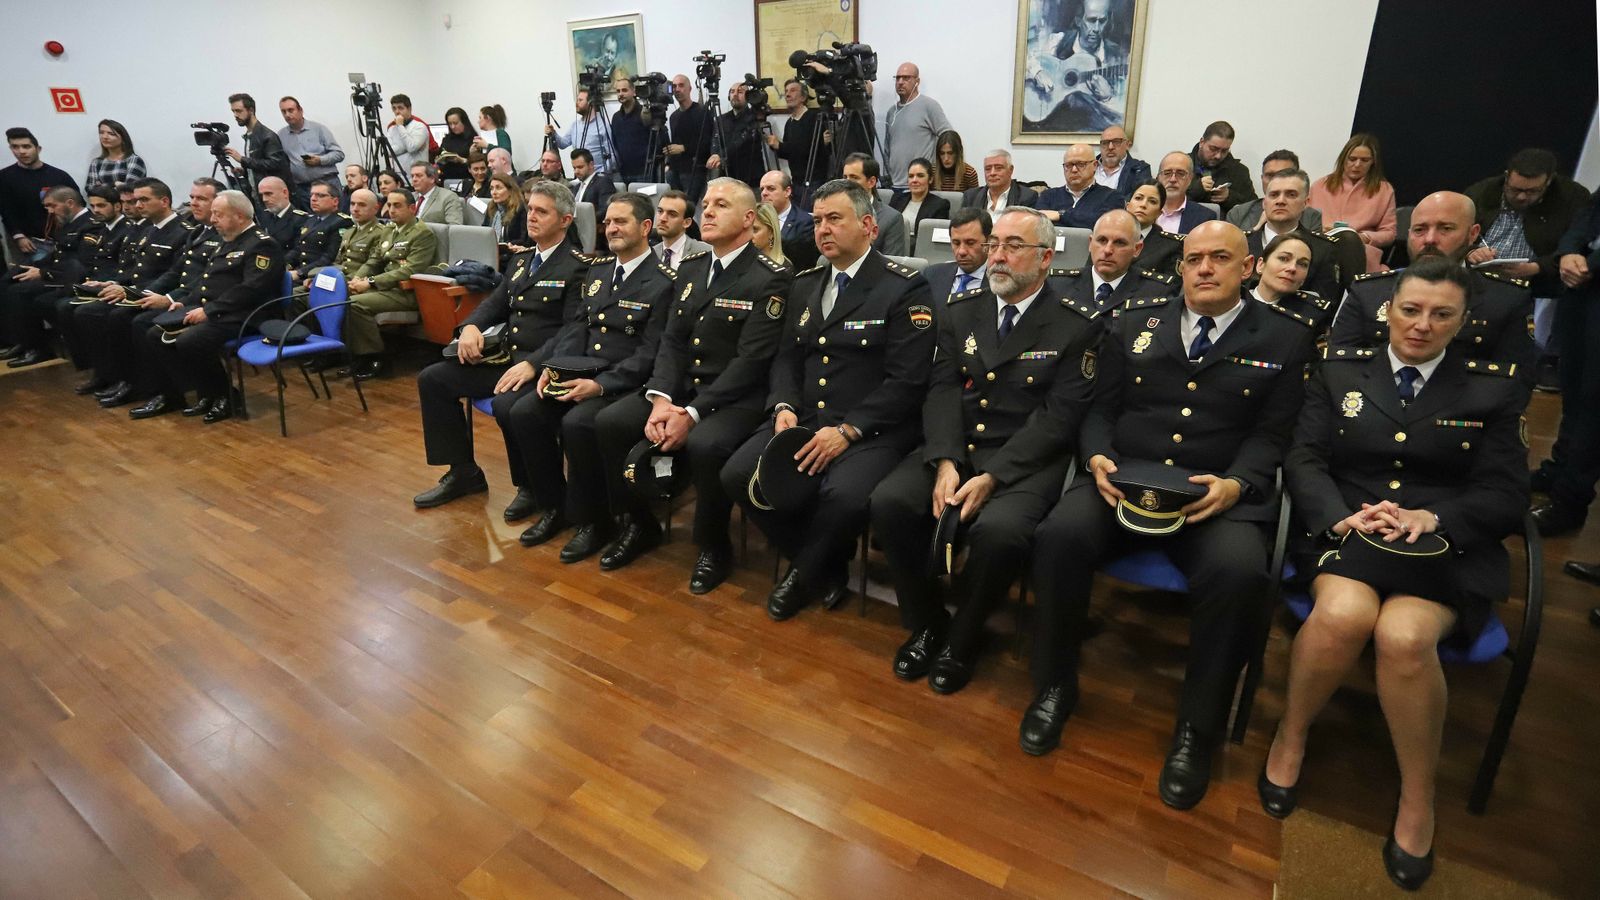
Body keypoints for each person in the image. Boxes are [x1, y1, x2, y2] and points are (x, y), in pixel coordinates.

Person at [1026, 221, 1318, 811]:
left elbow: (1274, 434)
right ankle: (1054, 685)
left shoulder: (1285, 338)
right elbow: (1100, 409)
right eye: (1193, 259)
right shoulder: (1134, 320)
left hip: (1213, 495)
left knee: (1239, 573)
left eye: (1220, 258)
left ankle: (1196, 729)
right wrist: (1098, 457)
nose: (1204, 268)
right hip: (1123, 481)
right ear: (1179, 267)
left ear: (1248, 268)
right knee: (1058, 535)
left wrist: (1238, 484)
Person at [1266, 258, 1528, 892]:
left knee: (1404, 637)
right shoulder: (1340, 370)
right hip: (1351, 525)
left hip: (1441, 542)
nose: (1421, 325)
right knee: (1343, 615)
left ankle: (1417, 795)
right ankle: (1290, 738)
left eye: (1441, 314)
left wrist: (1434, 517)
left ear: (1463, 321)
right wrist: (1338, 516)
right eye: (1410, 310)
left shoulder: (1492, 388)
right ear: (1389, 311)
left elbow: (1504, 492)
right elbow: (1305, 458)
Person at [870, 206, 1103, 692]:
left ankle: (964, 636)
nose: (997, 256)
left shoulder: (1075, 323)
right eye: (995, 244)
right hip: (958, 444)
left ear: (1045, 258)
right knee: (890, 502)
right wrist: (946, 460)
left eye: (1013, 247)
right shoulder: (961, 309)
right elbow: (941, 388)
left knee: (1000, 533)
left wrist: (993, 476)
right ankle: (928, 621)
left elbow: (1058, 417)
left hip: (1023, 458)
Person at [727, 178, 935, 616]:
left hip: (871, 426)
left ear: (869, 227)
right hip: (805, 415)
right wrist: (783, 405)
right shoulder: (805, 283)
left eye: (835, 219)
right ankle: (824, 562)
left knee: (843, 496)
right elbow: (786, 357)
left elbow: (908, 380)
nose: (822, 229)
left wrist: (848, 430)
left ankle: (803, 574)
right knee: (738, 475)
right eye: (818, 220)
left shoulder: (904, 288)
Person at [593, 178, 791, 593]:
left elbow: (751, 361)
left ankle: (713, 547)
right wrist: (661, 398)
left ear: (749, 219)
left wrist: (693, 414)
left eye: (721, 205)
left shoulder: (769, 277)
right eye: (706, 204)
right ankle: (640, 524)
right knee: (611, 422)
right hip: (681, 390)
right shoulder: (692, 267)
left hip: (734, 396)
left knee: (705, 444)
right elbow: (672, 340)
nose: (708, 211)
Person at [411, 180, 592, 512]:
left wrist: (534, 364)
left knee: (508, 405)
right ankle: (463, 472)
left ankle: (531, 487)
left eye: (542, 212)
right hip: (506, 358)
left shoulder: (578, 266)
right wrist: (469, 328)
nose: (531, 217)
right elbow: (495, 304)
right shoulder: (522, 261)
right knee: (433, 379)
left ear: (565, 220)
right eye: (530, 209)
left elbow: (573, 330)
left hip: (542, 365)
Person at [515, 193, 676, 556]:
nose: (611, 229)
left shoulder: (664, 281)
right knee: (525, 412)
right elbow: (578, 326)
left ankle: (598, 520)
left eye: (621, 222)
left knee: (578, 424)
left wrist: (601, 385)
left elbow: (652, 351)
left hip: (625, 382)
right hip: (581, 372)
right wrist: (555, 367)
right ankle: (556, 506)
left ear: (645, 227)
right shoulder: (599, 270)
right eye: (607, 222)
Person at [1330, 191, 1535, 377]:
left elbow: (1515, 382)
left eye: (1445, 229)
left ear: (1472, 234)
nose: (1429, 239)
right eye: (1419, 230)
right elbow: (1337, 368)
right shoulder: (1368, 291)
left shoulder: (1506, 299)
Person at [133, 190, 285, 424]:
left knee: (191, 340)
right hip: (219, 310)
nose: (212, 219)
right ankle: (196, 394)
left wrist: (209, 310)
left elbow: (251, 289)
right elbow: (207, 280)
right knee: (156, 334)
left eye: (218, 214)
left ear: (239, 216)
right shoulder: (228, 240)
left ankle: (227, 396)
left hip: (247, 315)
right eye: (213, 213)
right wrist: (184, 302)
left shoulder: (262, 245)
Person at [1466, 148, 1594, 390]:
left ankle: (1550, 362)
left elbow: (1576, 245)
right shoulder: (1482, 192)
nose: (1522, 197)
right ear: (1507, 177)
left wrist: (1537, 267)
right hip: (1482, 274)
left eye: (1532, 191)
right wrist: (1471, 251)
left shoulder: (1572, 197)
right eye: (1515, 189)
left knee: (1577, 283)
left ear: (1549, 182)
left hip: (1542, 278)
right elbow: (1454, 233)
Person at [72, 177, 199, 408]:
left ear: (164, 201)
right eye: (136, 200)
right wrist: (115, 283)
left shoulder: (182, 231)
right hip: (143, 291)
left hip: (164, 294)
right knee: (88, 312)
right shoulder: (148, 230)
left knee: (124, 318)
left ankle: (148, 386)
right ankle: (120, 378)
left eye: (144, 200)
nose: (138, 205)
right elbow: (136, 269)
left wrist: (135, 292)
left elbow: (175, 274)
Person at [1530, 190, 1600, 535]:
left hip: (1591, 277)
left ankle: (1570, 502)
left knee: (1594, 402)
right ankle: (1557, 470)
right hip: (1582, 293)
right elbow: (1588, 215)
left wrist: (1590, 264)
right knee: (1571, 389)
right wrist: (1569, 251)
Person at [0, 186, 102, 368]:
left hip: (71, 278)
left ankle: (38, 348)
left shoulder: (90, 224)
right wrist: (35, 266)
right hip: (58, 272)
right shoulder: (67, 224)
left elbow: (79, 263)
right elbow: (56, 255)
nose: (49, 211)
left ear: (69, 203)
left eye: (52, 206)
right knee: (7, 280)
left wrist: (43, 273)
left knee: (20, 292)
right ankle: (21, 341)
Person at [343, 187, 440, 377]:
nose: (392, 210)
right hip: (384, 288)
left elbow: (410, 271)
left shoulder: (422, 233)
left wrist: (371, 282)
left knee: (354, 304)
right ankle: (353, 355)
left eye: (397, 206)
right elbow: (374, 260)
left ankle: (375, 358)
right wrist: (357, 278)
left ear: (412, 208)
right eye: (389, 205)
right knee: (340, 296)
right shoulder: (389, 229)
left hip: (405, 292)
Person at [1243, 169, 1344, 302]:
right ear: (1264, 202)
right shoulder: (1241, 242)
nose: (1280, 201)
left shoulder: (1324, 248)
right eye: (1274, 195)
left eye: (1291, 195)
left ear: (1306, 203)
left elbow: (1325, 303)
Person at [1049, 208, 1176, 314]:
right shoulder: (1057, 285)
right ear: (1090, 243)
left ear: (1137, 249)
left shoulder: (1156, 292)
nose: (1108, 250)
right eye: (1102, 240)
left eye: (1120, 242)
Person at [1029, 0, 1128, 133]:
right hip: (1051, 123)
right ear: (1078, 20)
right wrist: (1037, 72)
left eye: (1102, 21)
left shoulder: (1116, 58)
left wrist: (1108, 98)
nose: (1096, 29)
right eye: (1091, 20)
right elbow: (1025, 58)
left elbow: (1124, 116)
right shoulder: (1057, 42)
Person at [1310, 133, 1397, 273]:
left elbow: (1389, 233)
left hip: (1362, 250)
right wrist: (1320, 230)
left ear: (1373, 162)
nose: (1357, 165)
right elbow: (1305, 223)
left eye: (1364, 160)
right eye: (1352, 159)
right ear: (1343, 159)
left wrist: (1365, 237)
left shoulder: (1384, 190)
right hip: (1322, 245)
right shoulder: (1320, 186)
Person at [1, 128, 80, 257]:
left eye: (26, 146)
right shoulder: (5, 177)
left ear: (38, 149)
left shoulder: (59, 176)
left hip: (64, 240)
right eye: (15, 147)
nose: (21, 151)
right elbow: (6, 210)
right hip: (29, 242)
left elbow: (79, 205)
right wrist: (18, 236)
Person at [882, 63, 953, 190]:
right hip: (895, 186)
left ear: (917, 81)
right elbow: (887, 149)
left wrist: (941, 171)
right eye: (897, 78)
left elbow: (948, 137)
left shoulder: (929, 106)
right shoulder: (892, 112)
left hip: (920, 185)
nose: (900, 82)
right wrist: (886, 177)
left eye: (906, 78)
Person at [1227, 150, 1324, 233]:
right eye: (1270, 175)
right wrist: (1257, 229)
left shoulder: (1311, 216)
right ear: (1262, 178)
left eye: (1284, 174)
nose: (1276, 180)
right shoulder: (1239, 214)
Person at [277, 97, 346, 209]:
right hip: (303, 189)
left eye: (290, 110)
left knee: (335, 217)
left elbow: (339, 154)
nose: (287, 115)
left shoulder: (319, 129)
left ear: (300, 110)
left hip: (327, 183)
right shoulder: (281, 135)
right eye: (283, 112)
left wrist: (320, 160)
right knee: (309, 219)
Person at [1249, 233, 1330, 327]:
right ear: (1260, 265)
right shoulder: (1237, 299)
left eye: (1302, 264)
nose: (1292, 268)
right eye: (1283, 259)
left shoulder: (1313, 315)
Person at [1036, 143, 1124, 227]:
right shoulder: (1048, 196)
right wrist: (1084, 219)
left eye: (1081, 164)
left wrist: (1060, 215)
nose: (1074, 170)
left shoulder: (1112, 197)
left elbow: (1102, 224)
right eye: (1069, 165)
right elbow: (1040, 226)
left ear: (1095, 165)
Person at [769, 79, 827, 204]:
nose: (787, 94)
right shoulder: (790, 122)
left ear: (803, 97)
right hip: (796, 182)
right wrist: (775, 146)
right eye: (786, 91)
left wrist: (780, 145)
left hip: (814, 181)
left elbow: (809, 150)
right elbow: (787, 153)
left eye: (793, 90)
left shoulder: (814, 118)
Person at [225, 93, 291, 199]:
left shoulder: (267, 135)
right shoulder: (249, 135)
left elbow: (275, 164)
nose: (235, 115)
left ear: (251, 110)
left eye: (239, 111)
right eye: (233, 111)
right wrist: (246, 172)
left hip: (270, 195)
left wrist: (242, 159)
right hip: (256, 194)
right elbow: (259, 166)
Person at [283, 180, 351, 285]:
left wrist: (300, 272)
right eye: (312, 195)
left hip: (317, 276)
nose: (313, 199)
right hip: (300, 273)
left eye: (320, 195)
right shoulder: (310, 220)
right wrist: (282, 264)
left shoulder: (341, 222)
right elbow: (299, 249)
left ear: (335, 201)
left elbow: (329, 258)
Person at [842, 153, 907, 256]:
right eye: (845, 177)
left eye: (854, 177)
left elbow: (891, 261)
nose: (847, 183)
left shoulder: (891, 219)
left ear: (871, 182)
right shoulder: (836, 212)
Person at [1187, 120, 1257, 214]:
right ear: (1202, 142)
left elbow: (1253, 208)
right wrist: (1196, 189)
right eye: (1213, 149)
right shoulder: (1180, 165)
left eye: (1224, 151)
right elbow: (1167, 199)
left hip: (1225, 222)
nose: (1218, 156)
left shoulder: (1239, 171)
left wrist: (1229, 197)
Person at [705, 83, 765, 192]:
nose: (735, 94)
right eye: (732, 92)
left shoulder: (755, 118)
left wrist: (720, 155)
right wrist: (714, 154)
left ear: (749, 97)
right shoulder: (721, 119)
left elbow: (742, 141)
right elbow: (715, 140)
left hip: (751, 179)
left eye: (740, 92)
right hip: (727, 177)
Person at [920, 207, 991, 298]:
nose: (961, 251)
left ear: (989, 242)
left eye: (970, 243)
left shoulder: (1001, 283)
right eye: (956, 243)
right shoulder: (932, 275)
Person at [324, 188, 388, 285]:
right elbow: (337, 263)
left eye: (362, 205)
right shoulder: (349, 232)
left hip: (357, 283)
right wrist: (322, 278)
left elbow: (373, 267)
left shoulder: (381, 233)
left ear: (376, 208)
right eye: (352, 204)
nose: (355, 209)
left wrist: (336, 281)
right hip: (339, 279)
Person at [665, 75, 712, 205]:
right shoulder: (673, 117)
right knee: (677, 206)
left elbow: (707, 142)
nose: (677, 89)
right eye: (674, 86)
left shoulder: (702, 112)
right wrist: (668, 164)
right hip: (675, 170)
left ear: (690, 88)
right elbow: (673, 142)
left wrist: (683, 148)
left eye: (681, 85)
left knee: (688, 207)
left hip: (695, 169)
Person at [548, 88, 616, 177]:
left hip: (598, 175)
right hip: (579, 174)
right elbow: (563, 144)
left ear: (590, 103)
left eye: (580, 100)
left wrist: (602, 174)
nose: (576, 103)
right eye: (577, 100)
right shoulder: (575, 125)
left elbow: (612, 155)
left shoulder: (603, 125)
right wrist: (553, 133)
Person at [761, 170, 817, 272]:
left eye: (771, 188)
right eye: (762, 189)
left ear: (787, 191)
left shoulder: (805, 222)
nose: (764, 193)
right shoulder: (756, 220)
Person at [888, 158, 951, 246]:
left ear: (930, 179)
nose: (914, 180)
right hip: (893, 245)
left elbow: (934, 239)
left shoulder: (940, 205)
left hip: (920, 249)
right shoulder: (897, 199)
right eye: (911, 176)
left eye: (920, 176)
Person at [1128, 178, 1184, 275]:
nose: (1143, 205)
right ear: (1127, 206)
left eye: (1152, 201)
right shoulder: (1107, 236)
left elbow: (1171, 283)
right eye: (1138, 198)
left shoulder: (1171, 246)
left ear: (1159, 213)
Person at [1155, 152, 1217, 235]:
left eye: (1180, 174)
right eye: (1167, 173)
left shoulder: (1205, 218)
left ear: (1190, 179)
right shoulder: (1142, 210)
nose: (1173, 179)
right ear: (1158, 177)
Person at [963, 149, 1037, 215]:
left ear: (1010, 170)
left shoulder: (1026, 197)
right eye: (988, 169)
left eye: (998, 168)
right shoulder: (971, 196)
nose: (992, 173)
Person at [650, 189, 710, 266]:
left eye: (672, 214)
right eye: (660, 211)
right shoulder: (651, 254)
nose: (662, 218)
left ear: (687, 222)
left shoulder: (706, 252)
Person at [609, 77, 652, 184]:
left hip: (644, 171)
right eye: (618, 91)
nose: (620, 94)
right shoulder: (616, 117)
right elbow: (614, 143)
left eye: (624, 90)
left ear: (634, 92)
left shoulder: (645, 113)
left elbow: (655, 140)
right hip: (623, 172)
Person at [569, 148, 616, 243]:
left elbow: (606, 209)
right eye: (574, 168)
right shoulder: (576, 187)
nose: (576, 171)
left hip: (594, 233)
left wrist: (583, 220)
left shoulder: (603, 182)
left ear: (591, 165)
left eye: (580, 167)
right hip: (575, 231)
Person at [85, 119, 146, 190]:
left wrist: (101, 187)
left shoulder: (134, 160)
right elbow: (89, 189)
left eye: (111, 134)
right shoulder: (96, 162)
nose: (105, 137)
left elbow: (129, 189)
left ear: (123, 138)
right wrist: (115, 184)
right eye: (101, 133)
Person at [1094, 125, 1150, 201]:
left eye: (1116, 142)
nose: (1110, 147)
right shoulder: (1089, 166)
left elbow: (1139, 200)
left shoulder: (1139, 170)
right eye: (1105, 143)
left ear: (1127, 145)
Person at [253, 176, 308, 250]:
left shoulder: (300, 220)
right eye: (261, 195)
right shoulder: (263, 216)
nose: (264, 199)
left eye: (268, 194)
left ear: (285, 193)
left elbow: (298, 250)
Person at [485, 173, 528, 258]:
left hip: (511, 255)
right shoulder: (491, 208)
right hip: (490, 251)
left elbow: (524, 239)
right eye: (492, 188)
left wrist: (507, 245)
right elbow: (485, 229)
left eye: (498, 188)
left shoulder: (520, 209)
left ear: (510, 190)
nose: (494, 192)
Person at [384, 94, 428, 174]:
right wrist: (408, 146)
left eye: (400, 108)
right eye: (394, 108)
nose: (397, 112)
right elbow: (388, 152)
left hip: (418, 176)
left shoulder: (420, 126)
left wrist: (400, 126)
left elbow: (411, 147)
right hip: (399, 176)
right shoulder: (391, 129)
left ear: (409, 109)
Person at [436, 107, 477, 183]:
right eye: (450, 124)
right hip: (446, 179)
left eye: (455, 123)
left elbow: (477, 166)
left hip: (467, 179)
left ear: (464, 122)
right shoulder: (447, 139)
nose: (452, 127)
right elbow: (439, 157)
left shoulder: (473, 140)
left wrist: (461, 160)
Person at [752, 203, 786, 268]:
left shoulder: (783, 269)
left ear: (772, 233)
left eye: (755, 230)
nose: (749, 236)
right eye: (746, 230)